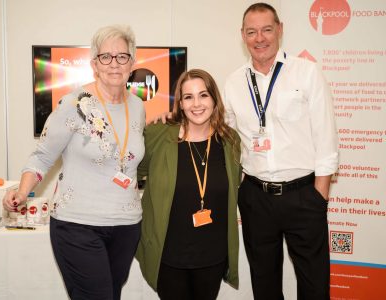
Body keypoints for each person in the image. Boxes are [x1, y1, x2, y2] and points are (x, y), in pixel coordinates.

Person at [3, 24, 145, 300]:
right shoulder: (74, 103)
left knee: (111, 295)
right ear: (94, 64)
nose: (114, 64)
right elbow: (42, 155)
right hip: (77, 225)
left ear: (132, 63)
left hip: (126, 226)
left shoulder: (138, 106)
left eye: (122, 56)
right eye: (106, 57)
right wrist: (22, 191)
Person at [223, 3, 338, 300]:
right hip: (255, 197)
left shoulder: (307, 72)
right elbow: (224, 134)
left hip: (303, 196)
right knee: (264, 285)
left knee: (314, 285)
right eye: (252, 32)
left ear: (280, 30)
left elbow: (325, 133)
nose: (259, 38)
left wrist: (319, 193)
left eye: (266, 29)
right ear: (243, 36)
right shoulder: (234, 82)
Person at [136, 69, 241, 300]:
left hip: (212, 256)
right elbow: (131, 172)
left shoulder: (230, 141)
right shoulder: (158, 135)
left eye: (203, 95)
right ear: (180, 104)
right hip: (168, 255)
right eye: (188, 97)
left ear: (214, 99)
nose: (197, 104)